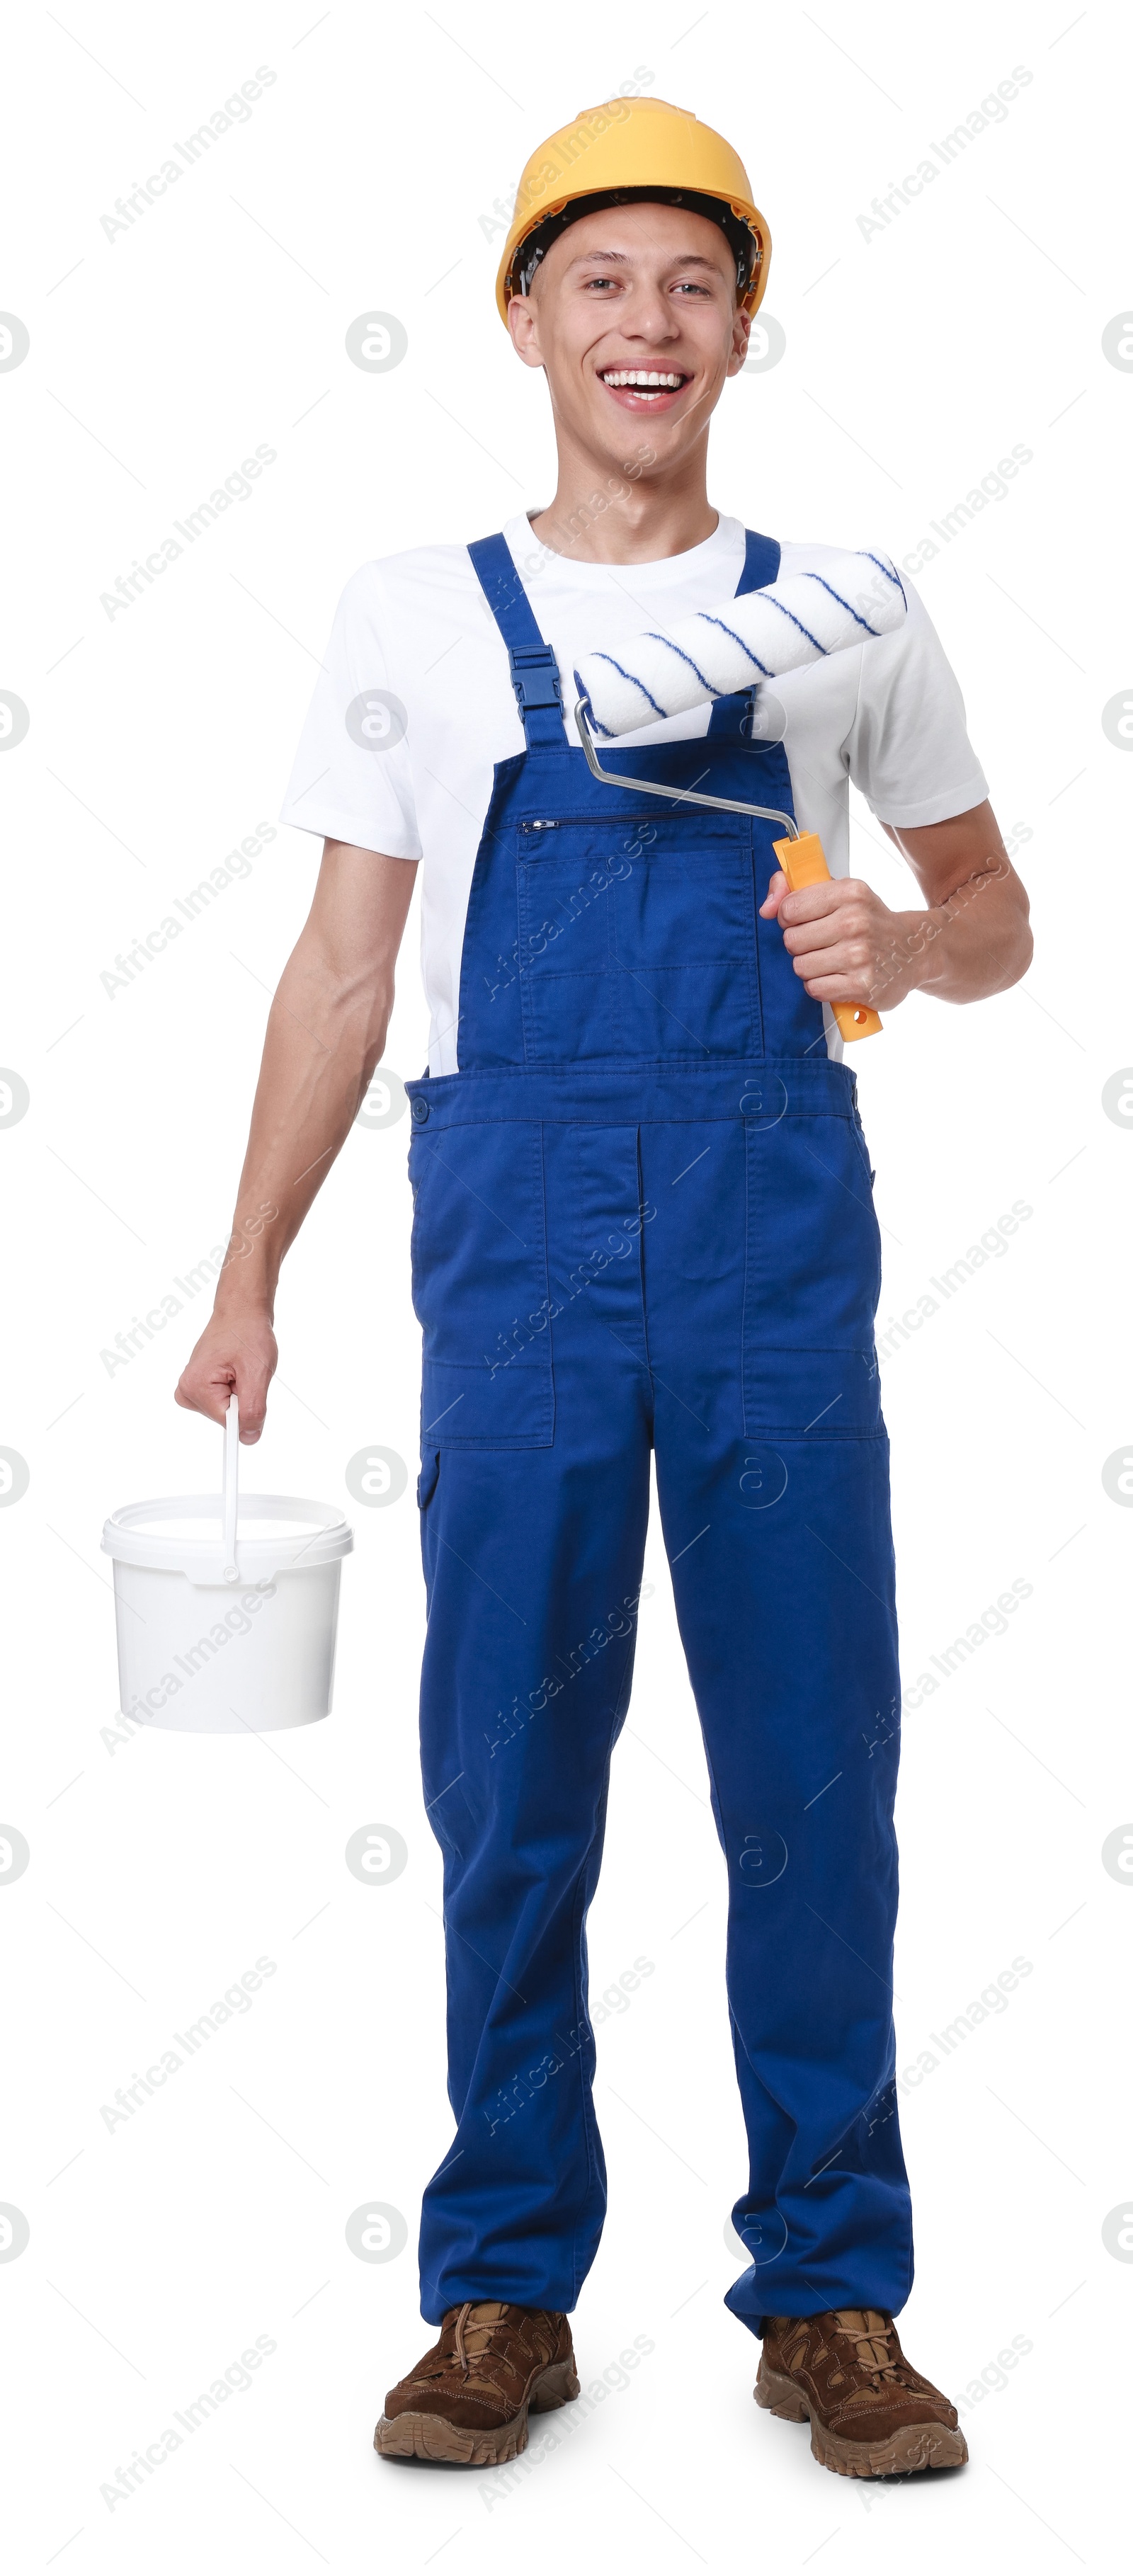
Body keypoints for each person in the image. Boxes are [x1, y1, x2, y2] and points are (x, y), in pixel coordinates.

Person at [176, 97, 1032, 2480]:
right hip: (524, 1273)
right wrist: (245, 1278)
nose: (645, 325)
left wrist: (907, 950)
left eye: (692, 282)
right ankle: (501, 2290)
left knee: (812, 1782)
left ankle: (833, 2298)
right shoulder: (410, 619)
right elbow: (346, 976)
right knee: (510, 1785)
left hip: (769, 1273)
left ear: (744, 322)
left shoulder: (847, 607)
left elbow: (1001, 919)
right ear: (528, 318)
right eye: (601, 281)